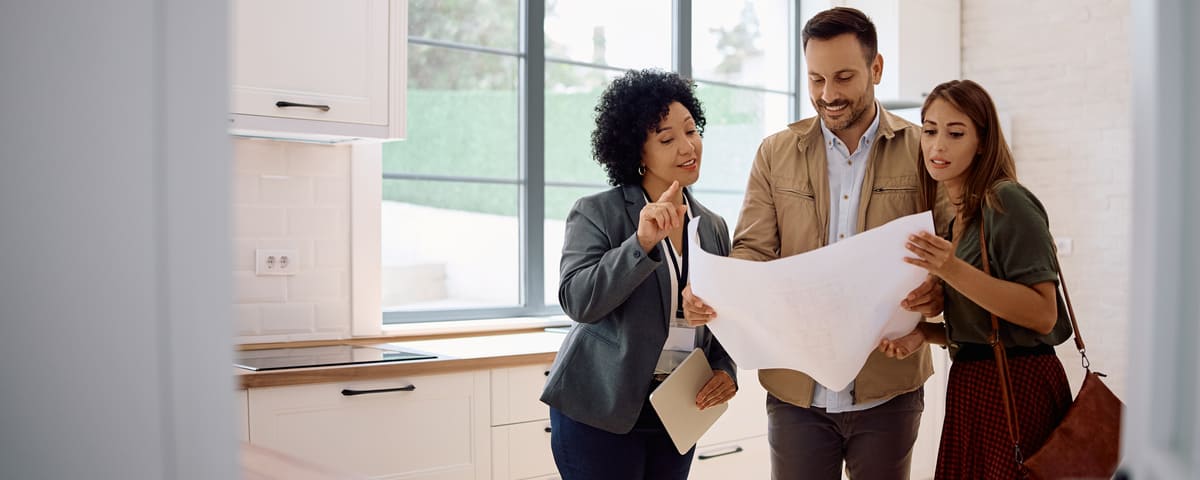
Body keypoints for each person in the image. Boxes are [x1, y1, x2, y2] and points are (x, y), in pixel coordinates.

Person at [682, 7, 951, 479]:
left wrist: (938, 289)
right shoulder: (775, 153)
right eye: (816, 79)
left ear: (876, 69)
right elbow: (753, 252)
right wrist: (716, 292)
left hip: (888, 386)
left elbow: (953, 249)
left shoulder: (922, 149)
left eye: (844, 77)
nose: (828, 95)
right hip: (796, 391)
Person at [539, 68, 738, 480]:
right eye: (666, 139)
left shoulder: (712, 225)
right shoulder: (598, 212)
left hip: (676, 409)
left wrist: (725, 369)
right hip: (601, 410)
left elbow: (724, 316)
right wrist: (640, 244)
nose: (687, 147)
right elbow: (578, 300)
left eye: (691, 130)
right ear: (637, 152)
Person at [877, 79, 1074, 478]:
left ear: (983, 141)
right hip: (974, 386)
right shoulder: (959, 215)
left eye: (955, 133)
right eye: (930, 131)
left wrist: (951, 269)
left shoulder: (1007, 201)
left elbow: (1042, 314)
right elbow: (984, 327)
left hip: (1017, 389)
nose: (937, 146)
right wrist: (924, 336)